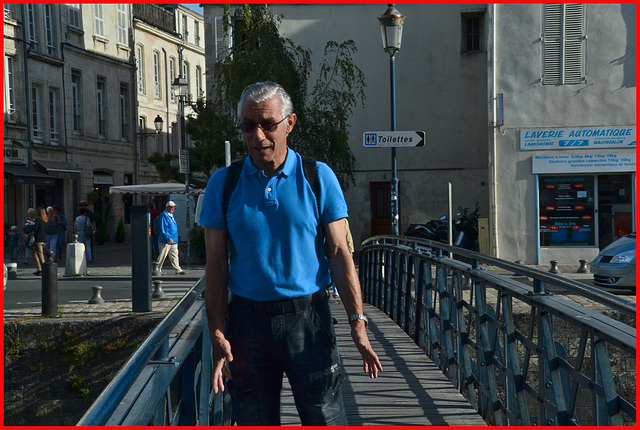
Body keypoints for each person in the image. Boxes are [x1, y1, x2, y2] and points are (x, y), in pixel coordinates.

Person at [200, 81, 382, 426]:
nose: (257, 135)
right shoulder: (222, 184)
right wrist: (217, 333)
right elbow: (216, 267)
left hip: (308, 318)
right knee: (253, 419)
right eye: (247, 126)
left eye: (268, 124)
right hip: (247, 323)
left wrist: (357, 323)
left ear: (290, 123)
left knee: (324, 418)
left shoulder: (317, 177)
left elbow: (341, 253)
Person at [156, 201, 185, 275]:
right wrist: (168, 237)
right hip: (166, 240)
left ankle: (178, 269)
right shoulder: (164, 215)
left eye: (174, 207)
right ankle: (157, 269)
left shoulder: (171, 215)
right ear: (167, 207)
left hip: (174, 239)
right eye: (171, 207)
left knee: (174, 255)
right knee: (162, 255)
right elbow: (164, 228)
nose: (173, 208)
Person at [332, 218, 355, 298]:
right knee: (338, 269)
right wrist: (350, 249)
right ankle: (336, 290)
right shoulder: (343, 221)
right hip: (341, 248)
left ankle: (334, 290)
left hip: (329, 247)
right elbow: (348, 235)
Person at [32, 207, 47, 276]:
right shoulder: (45, 220)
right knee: (34, 253)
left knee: (40, 254)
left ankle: (43, 269)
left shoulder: (38, 219)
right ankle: (39, 268)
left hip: (38, 238)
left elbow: (36, 229)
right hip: (44, 238)